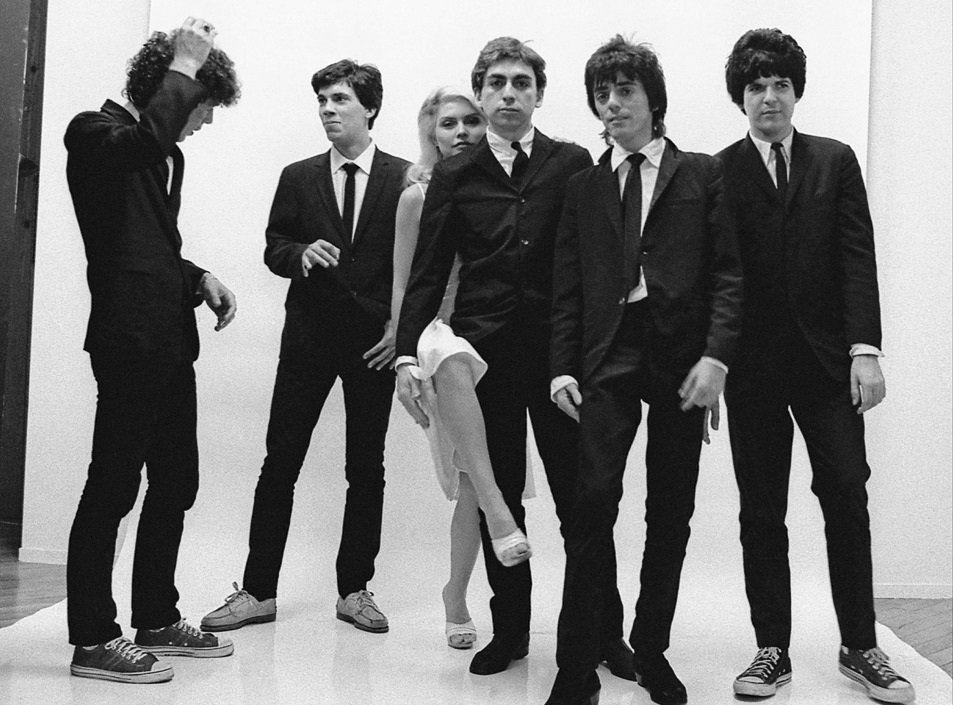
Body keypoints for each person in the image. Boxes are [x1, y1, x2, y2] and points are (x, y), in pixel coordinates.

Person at [395, 37, 633, 680]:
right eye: (496, 83)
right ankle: (510, 633)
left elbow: (598, 260)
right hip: (485, 359)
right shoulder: (456, 175)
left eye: (521, 83)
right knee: (498, 499)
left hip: (562, 361)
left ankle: (606, 634)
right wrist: (405, 356)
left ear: (538, 94)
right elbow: (427, 273)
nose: (508, 94)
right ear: (480, 93)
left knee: (583, 503)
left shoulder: (572, 162)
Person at [718, 28, 915, 703]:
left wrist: (865, 350)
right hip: (750, 370)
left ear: (795, 91)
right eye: (756, 86)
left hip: (828, 366)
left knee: (846, 495)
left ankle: (860, 645)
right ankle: (770, 648)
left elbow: (856, 256)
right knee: (760, 509)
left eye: (779, 84)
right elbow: (716, 276)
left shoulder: (835, 160)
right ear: (740, 97)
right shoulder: (719, 172)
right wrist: (711, 362)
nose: (768, 96)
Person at [544, 36, 742, 705]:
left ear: (653, 100)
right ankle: (575, 667)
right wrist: (560, 368)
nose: (611, 104)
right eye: (602, 94)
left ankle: (652, 651)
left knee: (671, 511)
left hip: (683, 359)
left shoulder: (703, 174)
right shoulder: (583, 186)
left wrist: (716, 357)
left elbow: (729, 273)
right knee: (591, 502)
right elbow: (567, 284)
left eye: (624, 91)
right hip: (608, 354)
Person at [201, 59, 409, 637]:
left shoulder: (405, 178)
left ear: (370, 106)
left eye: (340, 99)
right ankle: (258, 591)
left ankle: (355, 591)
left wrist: (402, 331)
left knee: (366, 468)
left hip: (375, 345)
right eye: (322, 100)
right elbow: (274, 247)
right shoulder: (298, 176)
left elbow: (422, 265)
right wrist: (299, 255)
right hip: (309, 339)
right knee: (280, 463)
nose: (327, 110)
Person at [63, 17, 239, 684]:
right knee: (113, 486)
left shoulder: (167, 157)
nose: (206, 120)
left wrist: (198, 277)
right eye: (202, 105)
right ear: (167, 87)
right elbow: (140, 142)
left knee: (176, 481)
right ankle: (92, 638)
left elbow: (145, 244)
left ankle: (157, 616)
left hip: (168, 338)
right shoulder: (94, 132)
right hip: (127, 339)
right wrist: (185, 65)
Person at [392, 87, 532, 650]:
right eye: (447, 124)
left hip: (486, 333)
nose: (462, 132)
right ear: (431, 132)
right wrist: (402, 351)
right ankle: (500, 518)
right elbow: (406, 281)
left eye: (471, 122)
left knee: (478, 478)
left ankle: (455, 591)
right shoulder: (416, 195)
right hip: (436, 335)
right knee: (449, 359)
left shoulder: (494, 186)